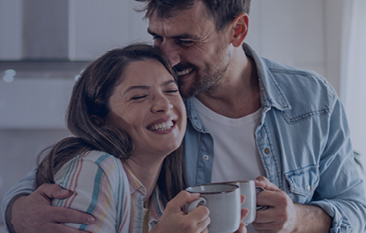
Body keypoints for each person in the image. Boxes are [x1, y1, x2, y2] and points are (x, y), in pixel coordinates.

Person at [6, 0, 366, 232]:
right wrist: (18, 214)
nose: (167, 56)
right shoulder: (162, 109)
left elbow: (355, 209)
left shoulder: (312, 99)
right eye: (157, 37)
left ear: (237, 31)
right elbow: (48, 181)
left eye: (186, 40)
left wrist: (296, 220)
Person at [33, 44, 246, 233]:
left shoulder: (161, 198)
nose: (164, 104)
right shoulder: (97, 168)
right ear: (99, 120)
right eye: (139, 97)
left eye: (171, 90)